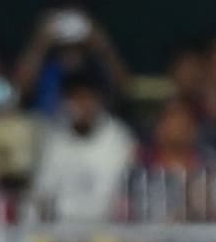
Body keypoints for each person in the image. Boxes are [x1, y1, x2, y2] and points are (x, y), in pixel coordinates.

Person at [31, 69, 137, 222]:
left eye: (87, 98)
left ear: (99, 100)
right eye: (75, 99)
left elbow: (124, 196)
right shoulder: (53, 140)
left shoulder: (120, 139)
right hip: (59, 229)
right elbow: (41, 193)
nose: (82, 106)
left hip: (108, 229)